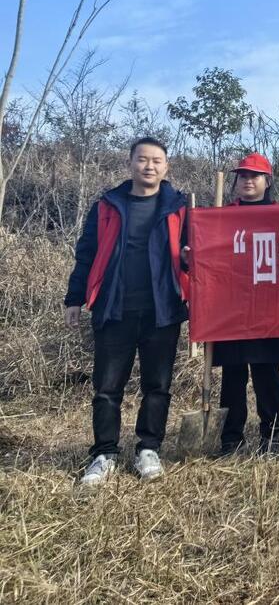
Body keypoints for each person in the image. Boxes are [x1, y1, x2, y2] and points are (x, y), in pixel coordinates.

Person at [64, 137, 189, 486]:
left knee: (158, 385)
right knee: (106, 387)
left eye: (157, 161)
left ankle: (148, 448)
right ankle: (104, 453)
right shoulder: (108, 205)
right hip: (113, 307)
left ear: (167, 166)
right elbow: (86, 254)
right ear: (130, 163)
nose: (149, 166)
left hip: (161, 310)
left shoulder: (181, 207)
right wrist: (74, 298)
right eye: (142, 160)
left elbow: (196, 256)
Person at [214, 153, 279, 455]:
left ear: (267, 181)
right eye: (242, 176)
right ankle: (231, 438)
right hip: (231, 308)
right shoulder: (221, 214)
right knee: (232, 375)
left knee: (267, 375)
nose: (247, 180)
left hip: (270, 308)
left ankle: (271, 435)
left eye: (254, 176)